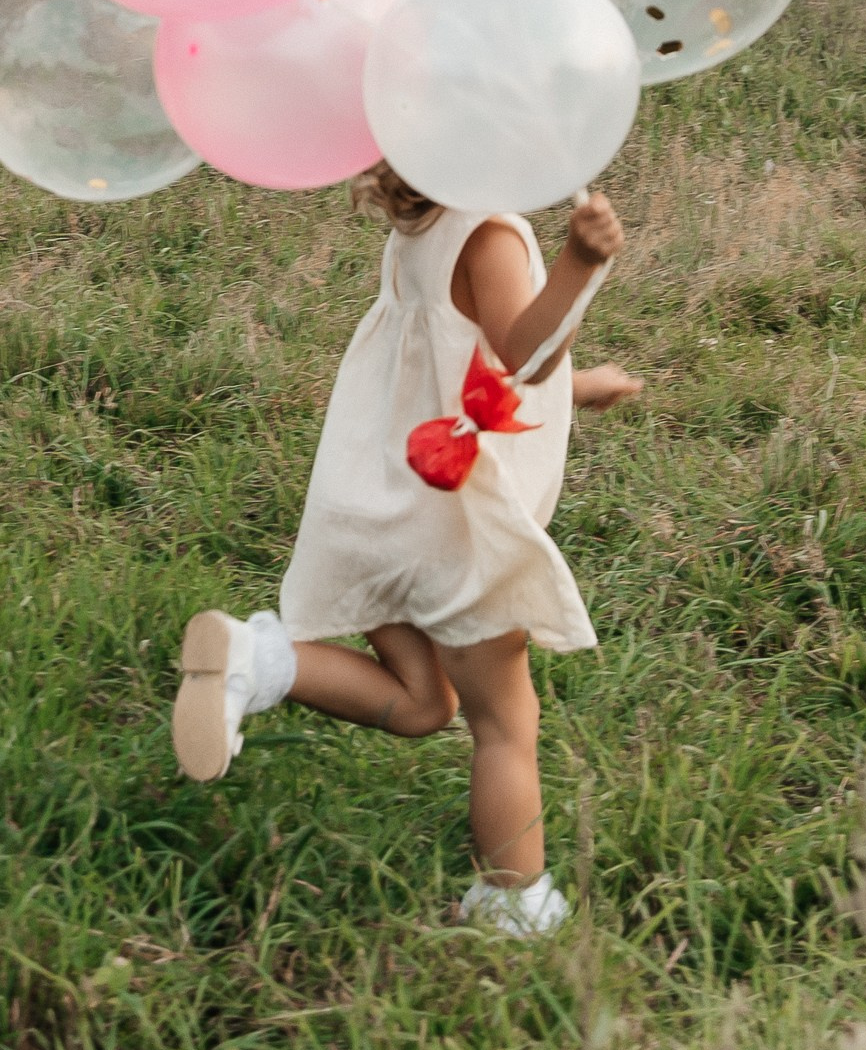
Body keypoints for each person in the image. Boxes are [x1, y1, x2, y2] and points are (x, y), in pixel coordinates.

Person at [171, 166, 646, 938]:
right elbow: (522, 355)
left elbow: (456, 363)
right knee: (504, 725)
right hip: (448, 533)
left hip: (377, 504)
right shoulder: (488, 234)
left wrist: (579, 385)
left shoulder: (423, 221)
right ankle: (513, 905)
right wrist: (579, 264)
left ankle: (256, 659)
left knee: (424, 703)